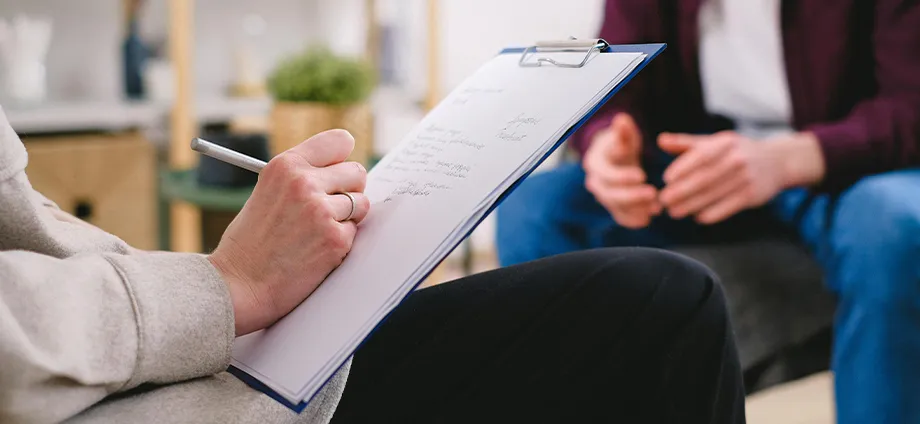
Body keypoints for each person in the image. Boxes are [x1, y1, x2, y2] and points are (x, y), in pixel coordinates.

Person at [0, 106, 745, 423]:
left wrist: (214, 279)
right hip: (160, 394)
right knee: (665, 304)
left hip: (152, 363)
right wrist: (225, 283)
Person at [496, 1, 920, 423]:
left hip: (843, 167)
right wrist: (607, 144)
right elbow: (614, 82)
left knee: (891, 226)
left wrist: (792, 159)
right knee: (532, 207)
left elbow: (909, 104)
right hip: (697, 164)